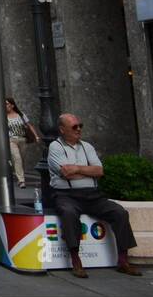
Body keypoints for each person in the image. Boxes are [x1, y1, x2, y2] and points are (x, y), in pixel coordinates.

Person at [47, 113, 143, 278]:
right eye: (74, 127)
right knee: (69, 213)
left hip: (92, 195)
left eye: (80, 126)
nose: (79, 130)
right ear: (62, 130)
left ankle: (123, 260)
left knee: (119, 212)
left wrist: (76, 169)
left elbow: (99, 171)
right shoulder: (55, 147)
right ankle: (76, 260)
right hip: (66, 194)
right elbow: (65, 172)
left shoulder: (87, 146)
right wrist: (85, 171)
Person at [5, 97, 38, 189]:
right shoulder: (4, 116)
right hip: (11, 140)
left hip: (22, 139)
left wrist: (36, 136)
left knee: (21, 159)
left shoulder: (20, 114)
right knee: (17, 158)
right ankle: (21, 180)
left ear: (12, 105)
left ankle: (18, 174)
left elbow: (29, 125)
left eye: (7, 104)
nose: (5, 106)